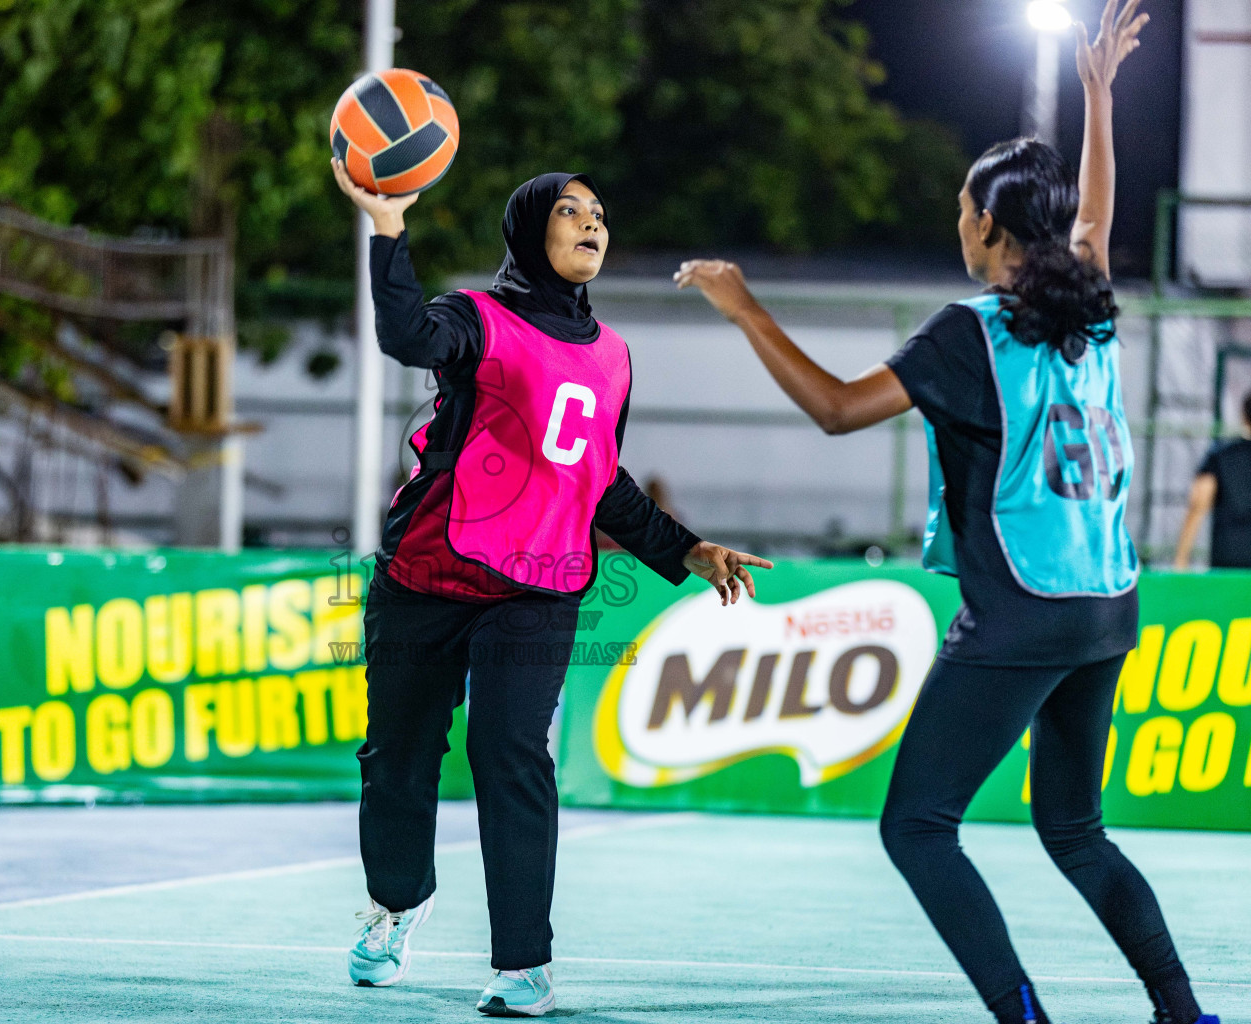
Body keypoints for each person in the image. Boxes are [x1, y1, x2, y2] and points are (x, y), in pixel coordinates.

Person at [676, 5, 1217, 1024]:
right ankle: (1185, 1013)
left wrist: (747, 307)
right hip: (1107, 600)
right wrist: (1100, 98)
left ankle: (1024, 1019)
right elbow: (1093, 220)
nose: (955, 221)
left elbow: (837, 410)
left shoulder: (969, 331)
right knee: (1075, 828)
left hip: (1022, 608)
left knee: (918, 825)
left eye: (963, 207)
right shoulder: (1088, 300)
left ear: (987, 227)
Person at [331, 160, 771, 1017]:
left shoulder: (613, 356)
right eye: (569, 211)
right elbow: (406, 340)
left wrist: (688, 552)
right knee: (398, 764)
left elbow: (600, 480)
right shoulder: (476, 318)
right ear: (531, 229)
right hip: (425, 576)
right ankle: (396, 903)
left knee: (511, 752)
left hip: (538, 585)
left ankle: (523, 963)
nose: (591, 224)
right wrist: (389, 229)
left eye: (600, 213)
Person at [1172, 389, 1251, 569]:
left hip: (1229, 557)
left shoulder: (1222, 456)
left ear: (1243, 415)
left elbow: (1198, 503)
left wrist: (1181, 558)